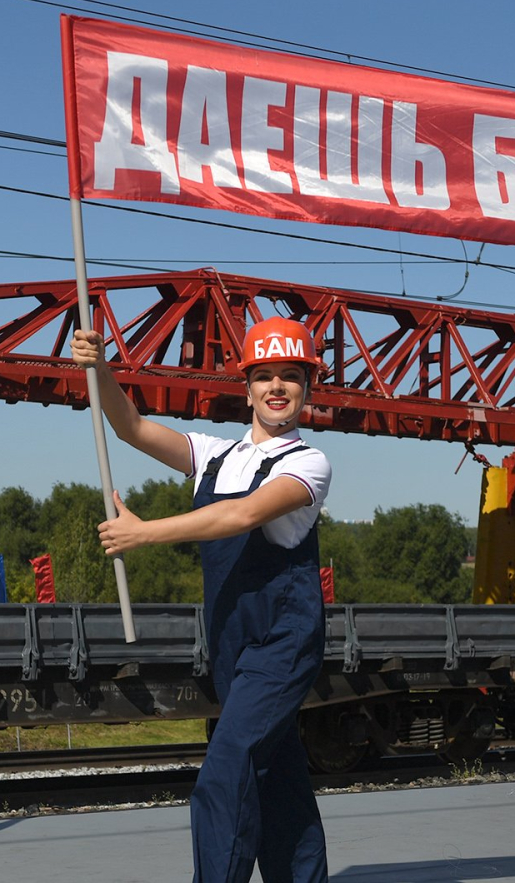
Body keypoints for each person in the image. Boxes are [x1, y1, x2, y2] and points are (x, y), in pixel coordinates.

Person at [71, 316, 331, 883]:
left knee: (228, 772)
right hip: (232, 646)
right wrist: (103, 369)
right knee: (278, 782)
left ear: (308, 389)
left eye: (291, 376)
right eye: (265, 376)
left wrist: (145, 533)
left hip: (282, 642)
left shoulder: (307, 463)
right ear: (248, 388)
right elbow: (133, 427)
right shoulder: (213, 455)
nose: (277, 387)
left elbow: (242, 514)